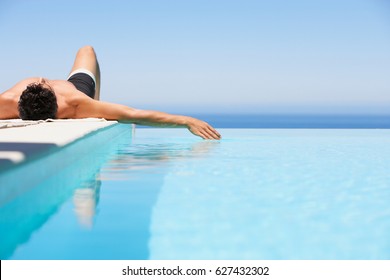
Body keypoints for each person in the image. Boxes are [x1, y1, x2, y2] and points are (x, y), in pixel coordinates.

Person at [0, 46, 221, 140]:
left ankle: (97, 102)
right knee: (87, 50)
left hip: (77, 96)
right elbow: (134, 114)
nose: (41, 79)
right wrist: (187, 121)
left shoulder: (7, 101)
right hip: (78, 87)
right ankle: (96, 100)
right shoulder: (77, 104)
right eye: (44, 83)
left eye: (39, 83)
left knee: (86, 50)